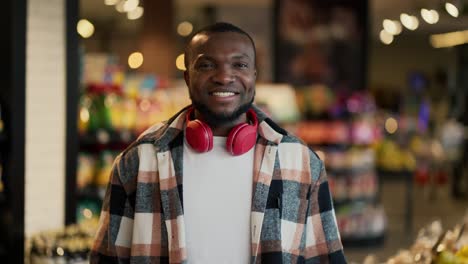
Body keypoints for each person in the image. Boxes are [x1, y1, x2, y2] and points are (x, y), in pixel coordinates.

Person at [90, 22, 347, 263]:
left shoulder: (301, 162)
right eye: (206, 65)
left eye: (239, 65)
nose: (224, 77)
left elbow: (325, 258)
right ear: (187, 77)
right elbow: (107, 259)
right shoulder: (138, 160)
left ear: (254, 76)